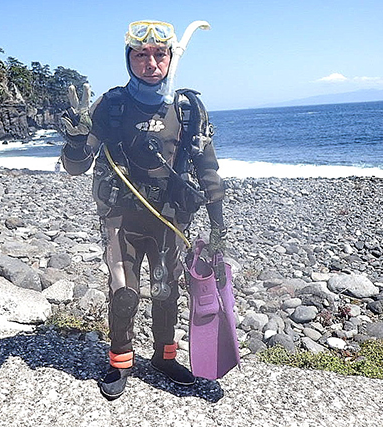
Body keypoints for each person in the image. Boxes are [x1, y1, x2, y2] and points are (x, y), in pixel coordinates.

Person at [60, 20, 226, 400]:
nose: (151, 63)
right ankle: (120, 361)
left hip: (169, 219)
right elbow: (76, 167)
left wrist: (218, 229)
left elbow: (208, 171)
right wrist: (75, 141)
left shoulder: (188, 110)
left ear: (169, 57)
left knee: (166, 291)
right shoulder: (111, 106)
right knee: (124, 292)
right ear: (128, 59)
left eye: (159, 54)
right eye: (140, 54)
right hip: (121, 218)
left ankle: (164, 359)